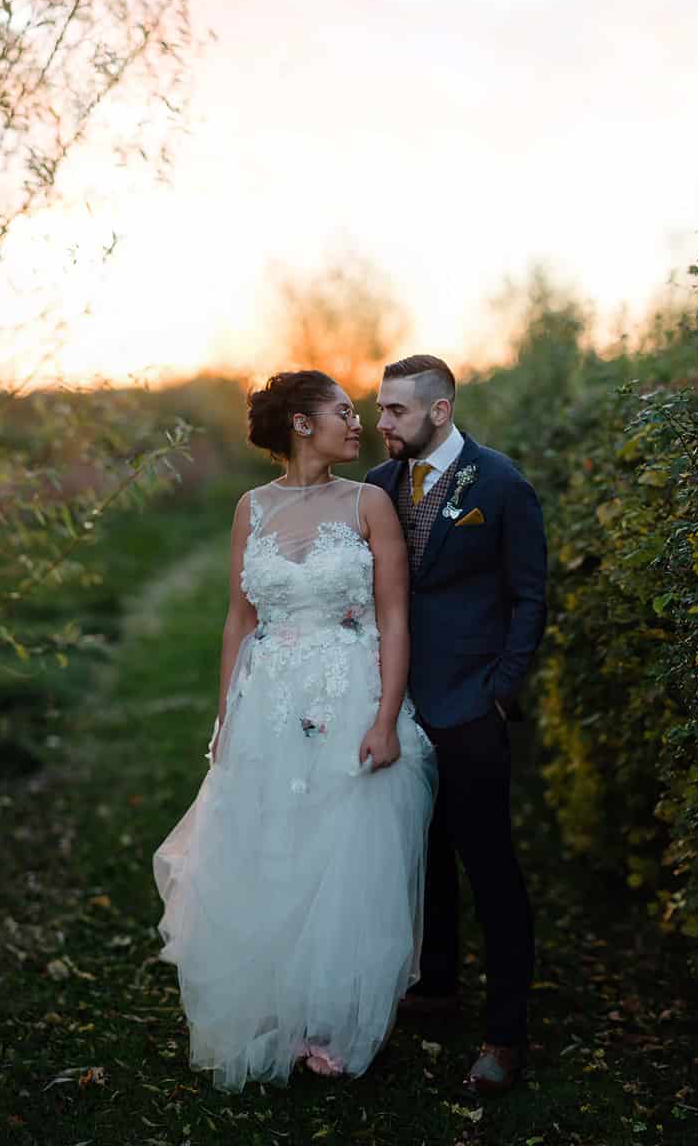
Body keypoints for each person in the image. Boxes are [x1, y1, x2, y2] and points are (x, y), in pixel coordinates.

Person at [153, 370, 437, 1091]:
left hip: (351, 693)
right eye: (343, 412)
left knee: (340, 854)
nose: (358, 424)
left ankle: (325, 1021)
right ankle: (269, 1007)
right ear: (301, 425)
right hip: (268, 699)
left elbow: (395, 618)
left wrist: (383, 717)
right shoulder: (252, 508)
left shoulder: (370, 501)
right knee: (269, 845)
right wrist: (227, 717)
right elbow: (239, 620)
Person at [365, 354, 547, 1098]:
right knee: (420, 849)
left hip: (469, 702)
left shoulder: (498, 483)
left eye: (395, 412)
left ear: (439, 411)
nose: (381, 423)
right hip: (391, 700)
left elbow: (529, 595)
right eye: (377, 410)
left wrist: (499, 692)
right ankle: (435, 983)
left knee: (489, 865)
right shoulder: (376, 487)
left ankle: (504, 1035)